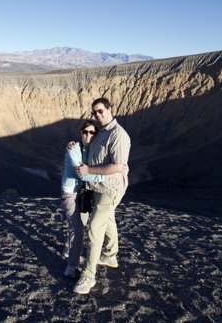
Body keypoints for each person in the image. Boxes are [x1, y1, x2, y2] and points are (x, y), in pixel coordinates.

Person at [73, 97, 131, 295]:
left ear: (110, 109)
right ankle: (110, 256)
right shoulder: (100, 132)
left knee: (94, 229)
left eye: (101, 110)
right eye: (95, 112)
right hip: (97, 187)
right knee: (108, 221)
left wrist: (89, 170)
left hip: (110, 189)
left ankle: (88, 276)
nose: (98, 115)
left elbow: (118, 166)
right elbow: (91, 150)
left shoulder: (118, 135)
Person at [60, 120, 127, 279]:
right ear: (80, 133)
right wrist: (111, 174)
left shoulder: (94, 149)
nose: (88, 135)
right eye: (85, 132)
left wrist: (120, 168)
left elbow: (110, 162)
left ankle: (69, 249)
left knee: (80, 225)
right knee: (77, 227)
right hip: (71, 193)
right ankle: (72, 265)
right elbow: (82, 173)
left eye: (92, 132)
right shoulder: (74, 150)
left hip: (85, 192)